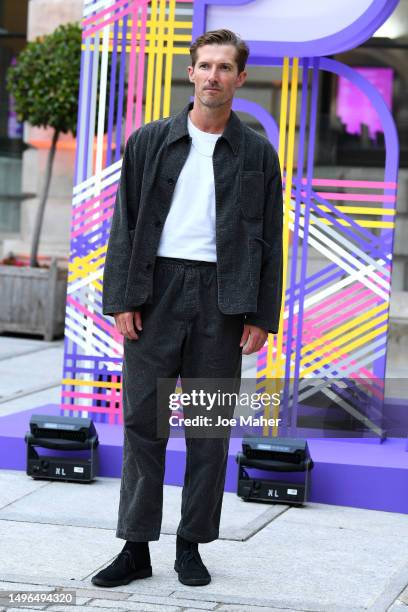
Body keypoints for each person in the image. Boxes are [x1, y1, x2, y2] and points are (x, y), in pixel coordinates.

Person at [92, 28, 283, 588]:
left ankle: (192, 546)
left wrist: (260, 315)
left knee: (207, 430)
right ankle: (134, 547)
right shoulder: (150, 141)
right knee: (142, 425)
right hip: (156, 292)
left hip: (222, 302)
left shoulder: (257, 153)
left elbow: (271, 236)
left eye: (225, 68)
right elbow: (125, 224)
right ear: (191, 72)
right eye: (205, 66)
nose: (213, 77)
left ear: (240, 79)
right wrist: (123, 298)